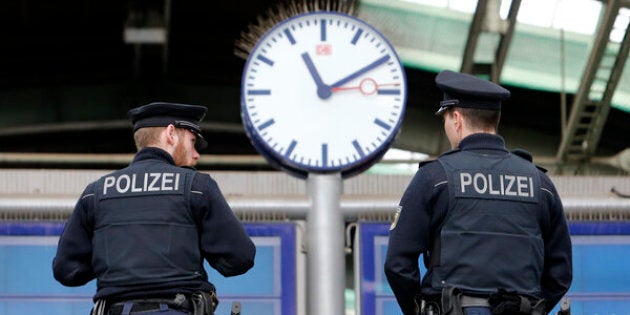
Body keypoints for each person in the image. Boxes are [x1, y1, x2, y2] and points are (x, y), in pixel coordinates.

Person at [384, 70, 572, 315]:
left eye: (445, 120)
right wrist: (529, 308)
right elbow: (561, 272)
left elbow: (398, 264)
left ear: (457, 120)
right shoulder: (540, 183)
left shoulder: (435, 178)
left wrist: (422, 310)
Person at [53, 102, 256, 315]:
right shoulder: (196, 187)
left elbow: (67, 270)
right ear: (170, 133)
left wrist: (119, 259)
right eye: (192, 141)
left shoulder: (96, 192)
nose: (196, 154)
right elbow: (239, 258)